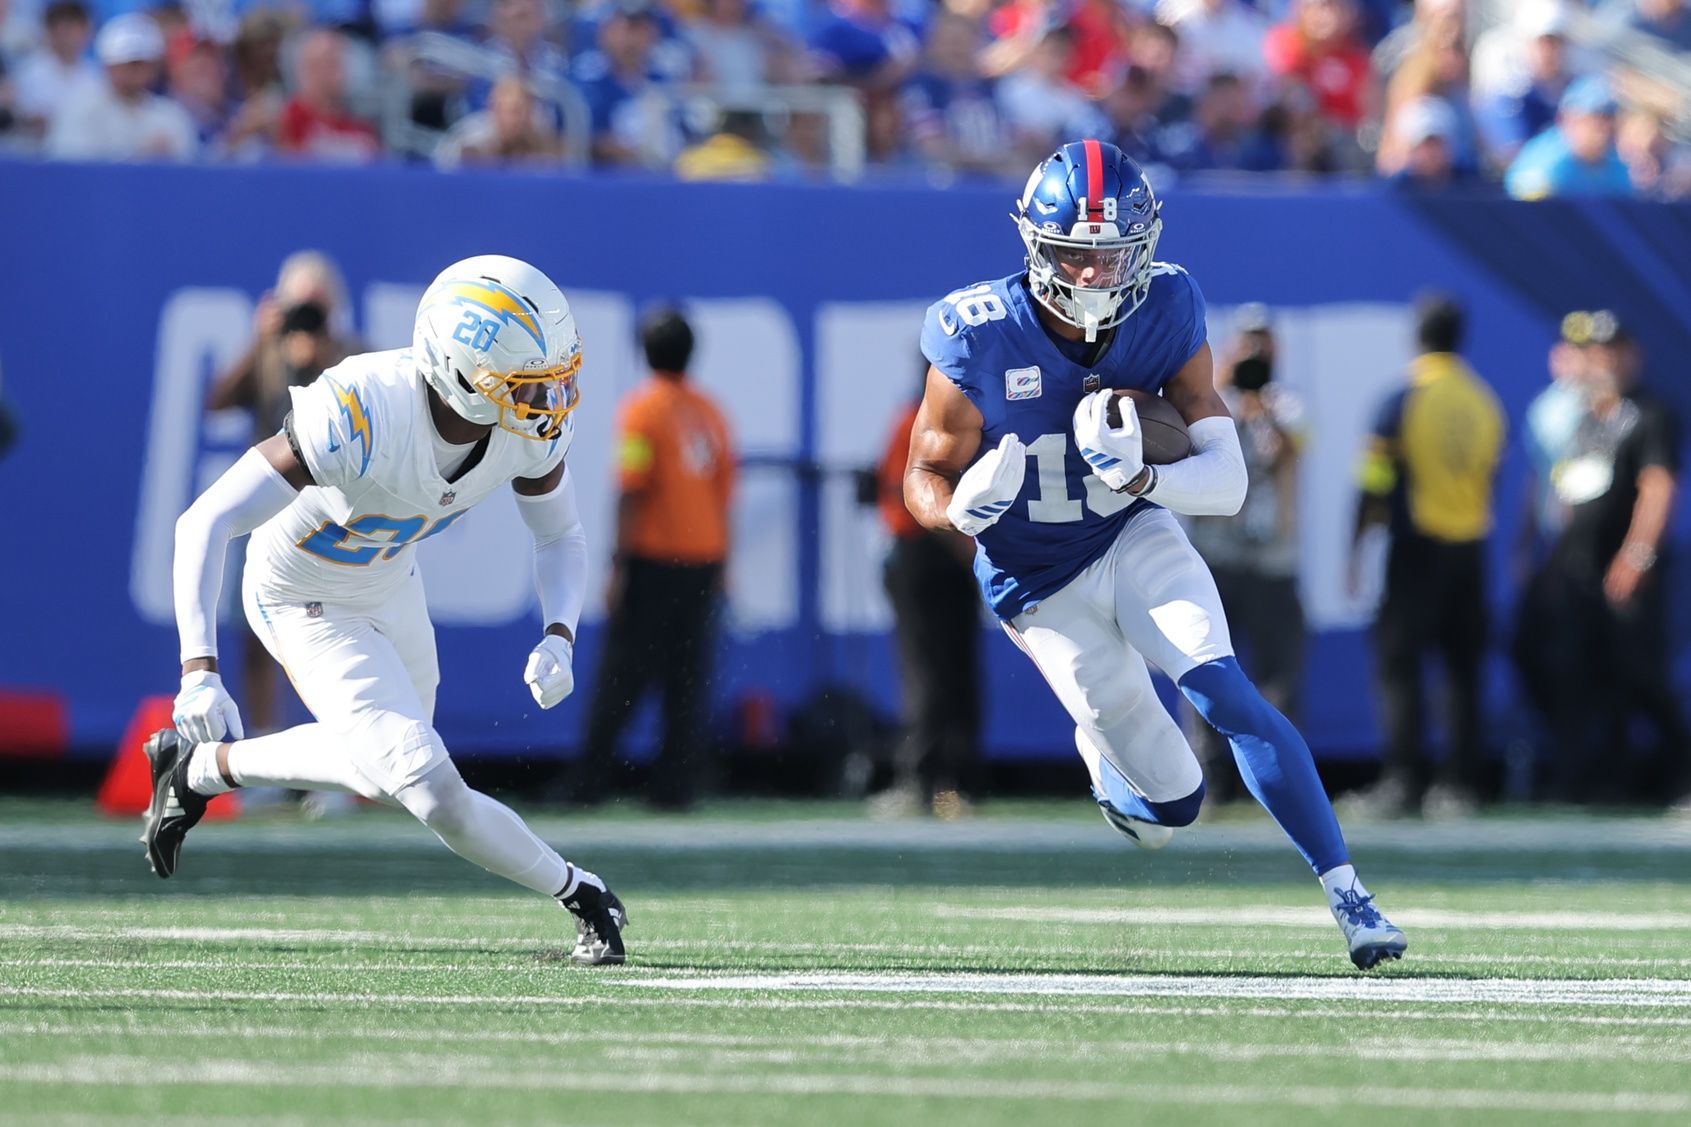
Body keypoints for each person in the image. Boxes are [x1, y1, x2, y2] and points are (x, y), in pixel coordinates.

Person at [904, 139, 1406, 971]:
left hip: (1130, 531)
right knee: (1174, 807)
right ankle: (1109, 763)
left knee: (1224, 689)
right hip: (1036, 581)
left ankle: (1350, 895)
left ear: (1143, 247)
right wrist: (956, 511)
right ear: (1033, 243)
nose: (1091, 275)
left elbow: (1226, 482)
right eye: (1072, 254)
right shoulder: (977, 331)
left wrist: (1141, 475)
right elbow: (922, 472)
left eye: (1110, 256)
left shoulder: (1167, 304)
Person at [142, 255, 627, 965]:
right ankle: (583, 893)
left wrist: (560, 632)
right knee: (429, 786)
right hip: (300, 592)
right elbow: (204, 522)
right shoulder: (363, 408)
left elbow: (560, 535)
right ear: (462, 376)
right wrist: (198, 671)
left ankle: (198, 769)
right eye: (527, 383)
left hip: (390, 580)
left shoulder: (524, 429)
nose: (548, 398)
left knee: (384, 771)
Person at [1349, 295, 1505, 818]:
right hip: (1471, 549)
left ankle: (1403, 781)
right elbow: (1491, 477)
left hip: (1417, 548)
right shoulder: (1483, 400)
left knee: (1399, 667)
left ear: (1416, 335)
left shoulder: (1403, 397)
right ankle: (1460, 785)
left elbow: (1374, 482)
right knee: (1463, 671)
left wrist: (1355, 549)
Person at [573, 307, 734, 811]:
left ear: (645, 352)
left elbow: (632, 488)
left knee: (622, 676)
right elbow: (723, 492)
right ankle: (675, 788)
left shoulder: (641, 411)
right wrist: (724, 563)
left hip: (653, 561)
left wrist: (617, 565)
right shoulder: (711, 413)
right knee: (687, 679)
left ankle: (590, 782)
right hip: (704, 561)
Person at [1526, 311, 1689, 805]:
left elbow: (1658, 487)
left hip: (1623, 569)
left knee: (1639, 673)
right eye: (1596, 352)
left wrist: (1637, 554)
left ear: (1631, 355)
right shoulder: (1586, 420)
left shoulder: (1649, 414)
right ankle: (1600, 780)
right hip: (1578, 571)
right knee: (1583, 674)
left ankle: (1681, 773)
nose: (1604, 362)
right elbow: (1564, 494)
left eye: (1612, 351)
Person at [1183, 304, 1306, 805]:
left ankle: (1281, 780)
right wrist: (1223, 384)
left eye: (1263, 342)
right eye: (1246, 343)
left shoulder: (1289, 404)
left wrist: (1264, 406)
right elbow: (1187, 444)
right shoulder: (1209, 402)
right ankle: (1212, 778)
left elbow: (1294, 448)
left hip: (1272, 560)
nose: (1256, 352)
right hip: (1217, 557)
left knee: (1279, 675)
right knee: (1207, 668)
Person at [872, 378, 982, 819]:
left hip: (928, 553)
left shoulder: (913, 419)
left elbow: (910, 498)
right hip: (946, 552)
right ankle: (949, 783)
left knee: (930, 670)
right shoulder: (980, 418)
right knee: (950, 670)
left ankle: (928, 781)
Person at [45, 11, 196, 160]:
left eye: (145, 63)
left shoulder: (171, 114)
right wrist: (138, 157)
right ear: (109, 65)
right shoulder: (81, 108)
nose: (138, 71)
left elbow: (189, 164)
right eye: (130, 63)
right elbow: (70, 166)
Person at [1505, 75, 1633, 199]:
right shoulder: (1546, 168)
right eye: (1597, 118)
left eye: (1611, 118)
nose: (1605, 127)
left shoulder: (1618, 167)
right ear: (1569, 119)